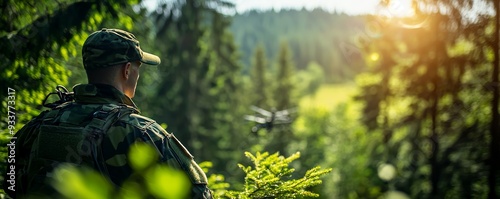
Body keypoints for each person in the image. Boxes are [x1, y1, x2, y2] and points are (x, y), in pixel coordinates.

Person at [5, 28, 212, 198]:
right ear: (127, 70)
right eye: (138, 68)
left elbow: (10, 185)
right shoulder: (141, 133)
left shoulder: (39, 125)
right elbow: (199, 194)